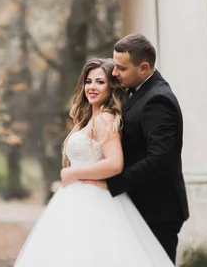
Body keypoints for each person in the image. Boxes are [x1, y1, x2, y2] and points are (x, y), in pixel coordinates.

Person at [14, 58, 174, 267]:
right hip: (74, 199)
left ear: (111, 86)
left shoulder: (105, 119)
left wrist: (74, 173)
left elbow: (115, 163)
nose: (92, 87)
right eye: (89, 81)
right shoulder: (88, 119)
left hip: (96, 200)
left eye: (100, 82)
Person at [105, 33, 189, 262]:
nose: (114, 73)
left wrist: (111, 184)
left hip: (157, 210)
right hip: (141, 205)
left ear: (143, 68)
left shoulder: (157, 100)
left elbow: (160, 159)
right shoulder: (138, 92)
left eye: (121, 68)